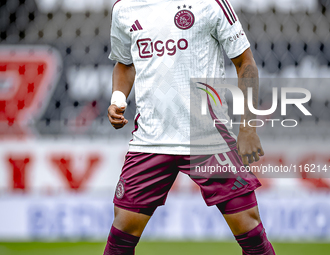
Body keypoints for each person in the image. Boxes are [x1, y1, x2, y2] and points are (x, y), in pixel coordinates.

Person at [105, 0, 275, 254]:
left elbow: (245, 63)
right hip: (151, 140)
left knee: (248, 226)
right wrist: (118, 98)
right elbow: (125, 62)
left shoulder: (211, 4)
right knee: (123, 229)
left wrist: (248, 128)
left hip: (208, 138)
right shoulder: (124, 8)